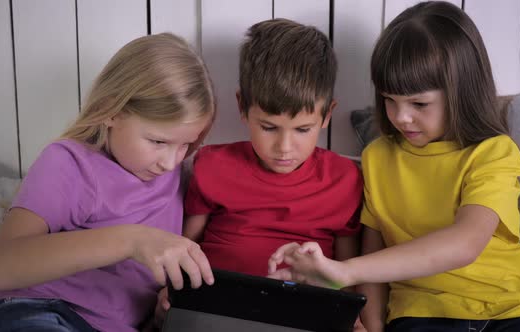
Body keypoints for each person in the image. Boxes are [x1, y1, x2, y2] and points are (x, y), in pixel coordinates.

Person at [267, 2, 520, 332]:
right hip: (422, 314)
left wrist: (346, 271)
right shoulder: (378, 159)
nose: (400, 116)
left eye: (419, 104)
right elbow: (373, 256)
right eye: (389, 99)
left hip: (511, 309)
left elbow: (466, 242)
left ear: (461, 91)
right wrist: (372, 327)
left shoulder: (493, 153)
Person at [0, 32, 216, 332]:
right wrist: (133, 240)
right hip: (35, 309)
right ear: (111, 112)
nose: (170, 162)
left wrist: (163, 308)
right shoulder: (69, 162)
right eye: (157, 141)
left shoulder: (179, 177)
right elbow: (2, 268)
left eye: (186, 145)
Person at [154, 18, 365, 330]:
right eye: (268, 127)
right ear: (242, 106)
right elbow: (185, 247)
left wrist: (353, 320)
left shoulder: (344, 179)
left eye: (302, 129)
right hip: (217, 312)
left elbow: (346, 274)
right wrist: (167, 293)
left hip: (303, 317)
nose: (284, 147)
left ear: (327, 115)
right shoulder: (213, 166)